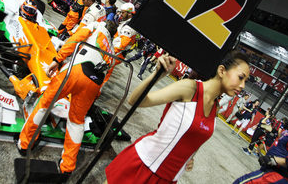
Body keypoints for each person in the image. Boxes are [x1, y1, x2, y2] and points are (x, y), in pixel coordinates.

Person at [105, 51, 251, 184]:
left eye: (245, 80)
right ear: (221, 70)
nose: (243, 85)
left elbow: (195, 136)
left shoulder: (215, 107)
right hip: (144, 165)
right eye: (240, 77)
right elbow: (135, 100)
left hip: (170, 178)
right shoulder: (189, 88)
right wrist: (157, 75)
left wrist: (190, 156)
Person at [17, 20, 118, 175]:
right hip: (93, 85)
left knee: (45, 103)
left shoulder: (97, 27)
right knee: (77, 121)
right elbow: (104, 81)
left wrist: (57, 59)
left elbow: (74, 40)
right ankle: (67, 167)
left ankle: (25, 144)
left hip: (75, 71)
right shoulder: (112, 52)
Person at [104, 2, 138, 83]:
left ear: (129, 13)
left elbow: (122, 44)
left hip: (116, 53)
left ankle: (96, 91)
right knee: (104, 73)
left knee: (104, 73)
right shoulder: (128, 22)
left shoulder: (129, 27)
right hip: (115, 52)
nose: (121, 14)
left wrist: (109, 54)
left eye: (123, 12)